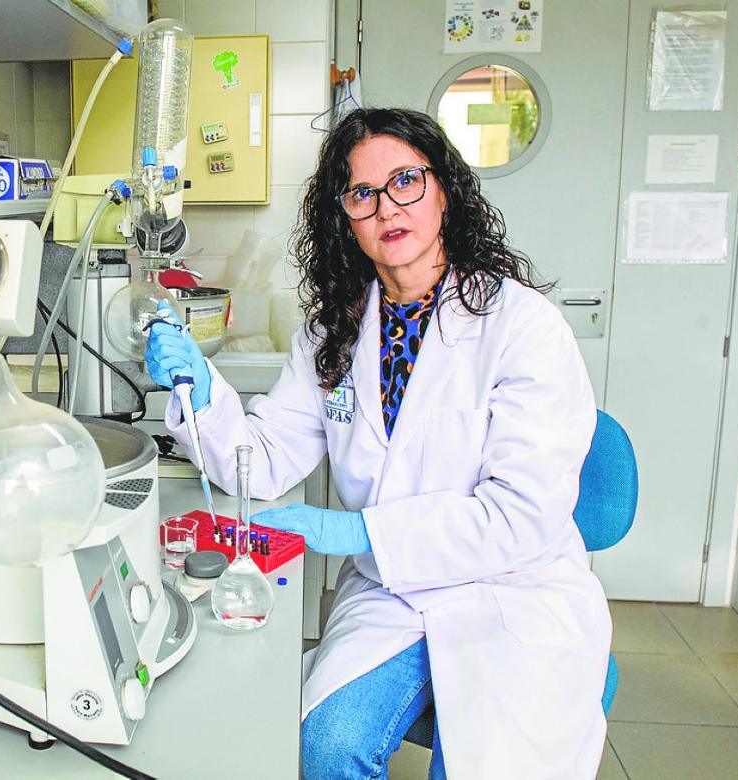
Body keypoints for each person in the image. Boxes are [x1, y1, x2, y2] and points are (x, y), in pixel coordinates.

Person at [146, 107, 611, 779]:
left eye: (406, 182)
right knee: (327, 748)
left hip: (512, 590)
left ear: (443, 190)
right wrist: (198, 388)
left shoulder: (522, 327)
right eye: (362, 194)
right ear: (346, 217)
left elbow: (519, 516)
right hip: (391, 595)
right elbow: (264, 458)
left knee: (488, 761)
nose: (387, 207)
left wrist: (357, 531)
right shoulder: (333, 334)